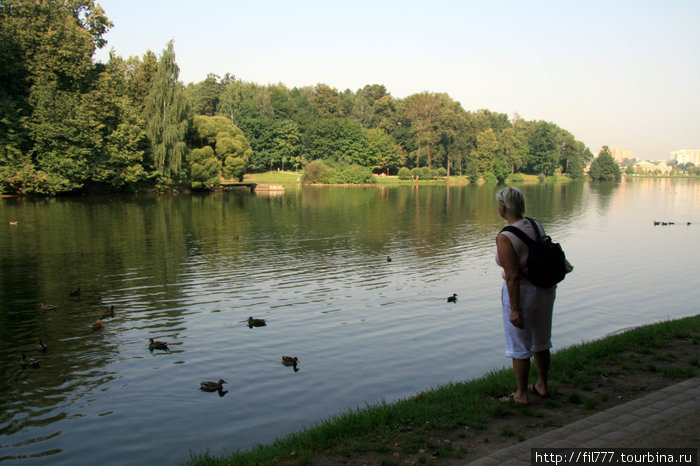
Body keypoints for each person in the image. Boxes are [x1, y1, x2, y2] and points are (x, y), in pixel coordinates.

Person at [495, 187, 556, 404]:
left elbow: (512, 277)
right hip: (546, 289)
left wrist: (514, 310)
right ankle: (541, 384)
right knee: (541, 340)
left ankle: (521, 394)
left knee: (519, 345)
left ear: (503, 208)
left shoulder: (506, 237)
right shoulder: (535, 224)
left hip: (523, 293)